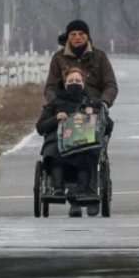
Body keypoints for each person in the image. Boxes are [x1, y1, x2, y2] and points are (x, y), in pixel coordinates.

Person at [36, 67, 103, 201]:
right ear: (65, 84)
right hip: (59, 139)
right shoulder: (55, 103)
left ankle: (82, 190)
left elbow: (108, 126)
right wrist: (56, 118)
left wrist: (92, 117)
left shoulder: (91, 102)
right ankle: (58, 188)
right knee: (53, 150)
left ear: (83, 83)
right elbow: (40, 127)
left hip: (82, 140)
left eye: (77, 80)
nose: (74, 83)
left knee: (88, 151)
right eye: (71, 80)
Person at [44, 19, 118, 107]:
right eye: (73, 34)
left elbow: (110, 85)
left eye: (81, 34)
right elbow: (50, 87)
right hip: (65, 108)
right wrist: (55, 102)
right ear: (68, 36)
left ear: (87, 36)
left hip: (95, 107)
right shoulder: (58, 57)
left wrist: (104, 101)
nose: (77, 37)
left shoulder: (99, 56)